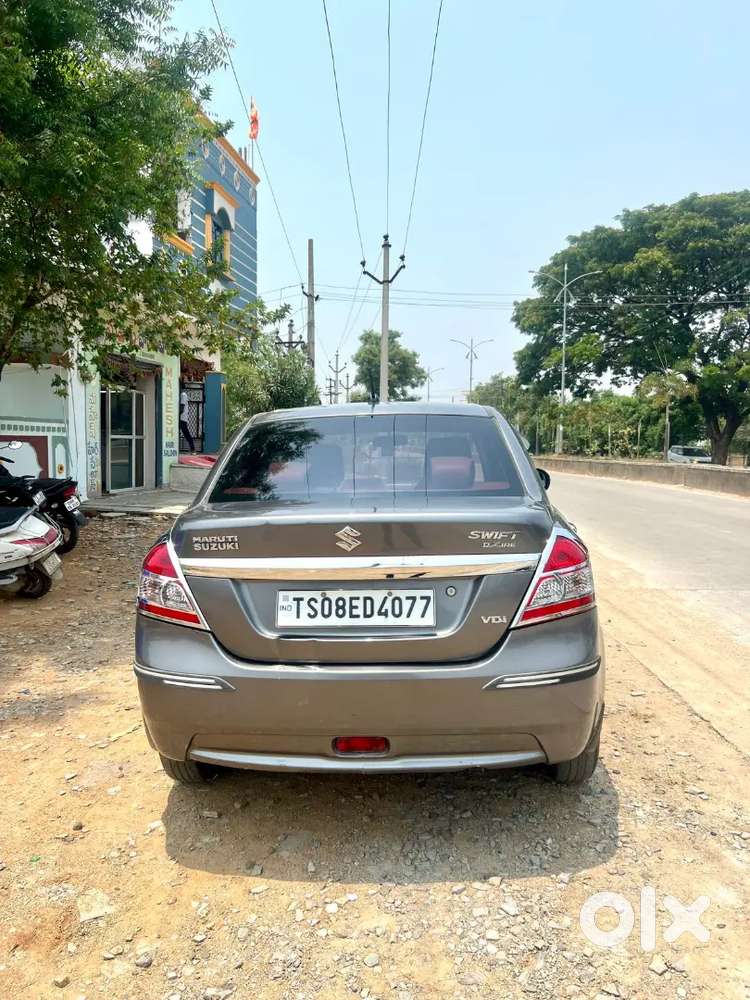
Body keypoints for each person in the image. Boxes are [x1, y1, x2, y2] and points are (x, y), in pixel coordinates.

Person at [179, 388, 196, 454]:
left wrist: (177, 415)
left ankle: (193, 449)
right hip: (182, 418)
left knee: (186, 433)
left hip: (181, 418)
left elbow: (182, 408)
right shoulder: (182, 395)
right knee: (185, 433)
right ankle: (193, 449)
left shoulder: (183, 395)